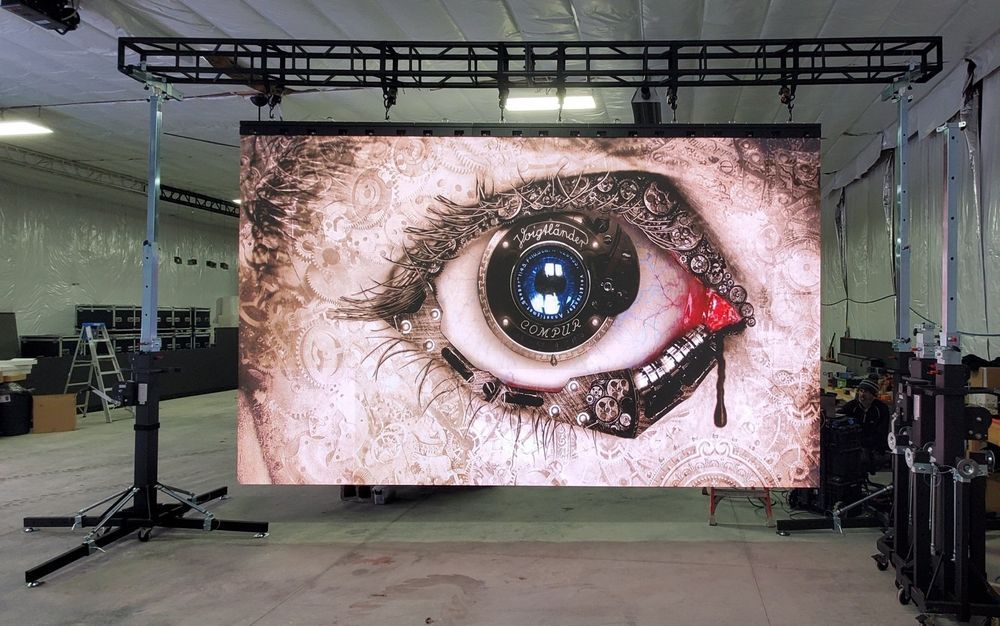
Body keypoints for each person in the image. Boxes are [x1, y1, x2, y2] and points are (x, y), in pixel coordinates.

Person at [839, 378, 891, 471]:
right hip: (853, 444)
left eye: (866, 392)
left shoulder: (881, 409)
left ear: (873, 395)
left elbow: (881, 433)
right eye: (861, 391)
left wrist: (866, 445)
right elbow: (838, 418)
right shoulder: (851, 406)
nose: (862, 394)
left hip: (874, 446)